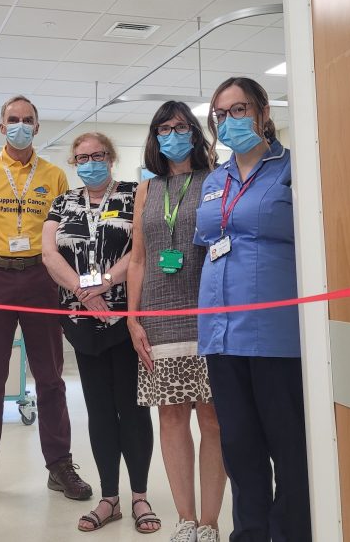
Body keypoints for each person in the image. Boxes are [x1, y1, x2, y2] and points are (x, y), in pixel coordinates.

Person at [0, 95, 90, 508]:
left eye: (28, 120)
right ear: (1, 126)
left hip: (42, 278)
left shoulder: (54, 175)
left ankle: (60, 465)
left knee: (50, 378)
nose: (20, 126)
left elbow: (62, 234)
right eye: (13, 119)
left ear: (37, 128)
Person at [195, 77, 311, 541]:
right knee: (240, 448)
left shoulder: (292, 168)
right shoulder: (215, 179)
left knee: (289, 448)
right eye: (221, 115)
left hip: (274, 333)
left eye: (239, 110)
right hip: (220, 334)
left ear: (263, 112)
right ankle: (249, 534)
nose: (230, 121)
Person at [42, 133, 160, 534]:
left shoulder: (134, 193)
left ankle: (140, 496)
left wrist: (105, 284)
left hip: (125, 318)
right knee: (98, 411)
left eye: (97, 155)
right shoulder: (64, 201)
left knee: (133, 408)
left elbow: (140, 250)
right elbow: (48, 253)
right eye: (81, 158)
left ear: (111, 158)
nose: (89, 162)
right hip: (81, 321)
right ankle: (109, 497)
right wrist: (81, 290)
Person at [126, 102, 226, 542]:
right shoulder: (147, 189)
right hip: (159, 318)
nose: (172, 134)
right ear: (154, 136)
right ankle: (185, 520)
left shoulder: (216, 180)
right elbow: (139, 259)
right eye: (163, 128)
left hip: (208, 312)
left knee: (213, 419)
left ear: (194, 132)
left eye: (180, 127)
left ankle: (210, 522)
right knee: (170, 418)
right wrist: (133, 318)